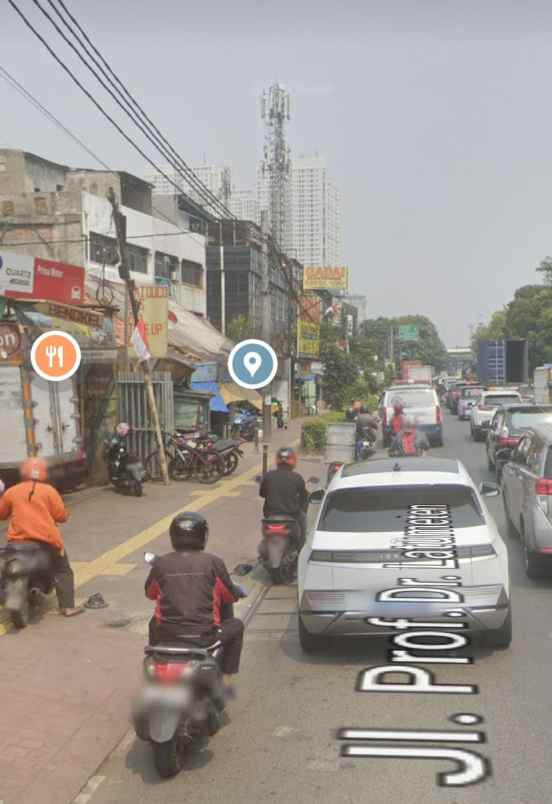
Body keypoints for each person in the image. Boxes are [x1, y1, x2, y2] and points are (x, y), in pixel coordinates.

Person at [145, 512, 245, 695]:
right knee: (237, 626)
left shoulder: (161, 564)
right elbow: (229, 596)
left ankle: (157, 657)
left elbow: (150, 593)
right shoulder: (213, 562)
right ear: (202, 536)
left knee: (153, 621)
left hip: (167, 636)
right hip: (203, 637)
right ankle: (226, 679)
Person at [0, 458, 83, 617]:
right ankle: (67, 607)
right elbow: (61, 515)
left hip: (17, 544)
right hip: (46, 542)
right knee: (62, 569)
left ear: (23, 473)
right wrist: (64, 515)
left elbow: (1, 513)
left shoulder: (12, 491)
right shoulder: (49, 491)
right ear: (44, 473)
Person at [259, 447, 308, 541]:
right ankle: (301, 550)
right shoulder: (297, 478)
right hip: (292, 515)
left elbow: (262, 494)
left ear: (277, 460)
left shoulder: (269, 475)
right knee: (303, 522)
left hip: (270, 515)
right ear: (293, 461)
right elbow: (304, 498)